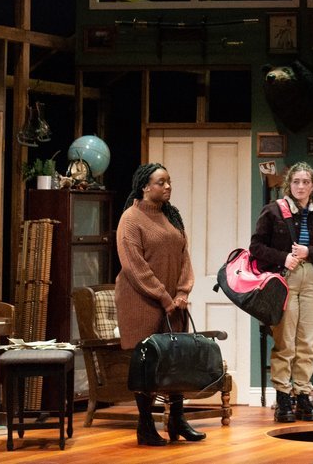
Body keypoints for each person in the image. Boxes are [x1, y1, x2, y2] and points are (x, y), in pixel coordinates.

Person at [115, 162, 205, 445]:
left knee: (176, 361)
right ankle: (145, 426)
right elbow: (134, 267)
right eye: (161, 182)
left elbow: (184, 257)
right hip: (141, 301)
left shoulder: (171, 216)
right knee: (147, 364)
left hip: (173, 303)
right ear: (145, 187)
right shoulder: (130, 219)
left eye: (169, 182)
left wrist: (182, 293)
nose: (167, 187)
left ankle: (177, 420)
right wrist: (164, 297)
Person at [250, 161, 313, 424]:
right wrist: (283, 257)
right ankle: (283, 397)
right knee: (285, 341)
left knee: (308, 342)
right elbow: (255, 247)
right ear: (288, 184)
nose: (301, 186)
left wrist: (309, 252)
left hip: (312, 281)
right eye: (296, 181)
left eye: (306, 182)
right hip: (284, 279)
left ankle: (302, 394)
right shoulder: (274, 212)